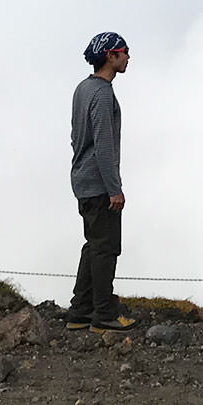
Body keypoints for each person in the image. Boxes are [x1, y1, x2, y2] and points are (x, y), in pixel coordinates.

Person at [68, 32, 140, 332]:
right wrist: (115, 189)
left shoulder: (82, 89)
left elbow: (76, 136)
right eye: (124, 51)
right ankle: (104, 315)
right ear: (110, 56)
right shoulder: (102, 93)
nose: (127, 57)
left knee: (93, 245)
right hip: (99, 184)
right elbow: (105, 146)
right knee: (106, 248)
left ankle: (80, 312)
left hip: (82, 178)